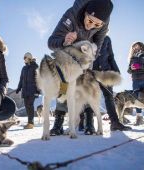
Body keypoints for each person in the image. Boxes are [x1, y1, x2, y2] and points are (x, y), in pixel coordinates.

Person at [48, 0, 130, 136]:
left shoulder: (103, 24)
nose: (91, 26)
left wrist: (90, 55)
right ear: (85, 13)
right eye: (90, 21)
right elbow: (51, 42)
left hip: (85, 58)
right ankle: (58, 121)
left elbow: (98, 46)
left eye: (97, 25)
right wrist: (64, 41)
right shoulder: (71, 16)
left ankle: (89, 122)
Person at [80, 36, 131, 135]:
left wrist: (116, 71)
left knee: (109, 97)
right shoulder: (88, 36)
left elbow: (111, 56)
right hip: (90, 72)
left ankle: (115, 123)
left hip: (105, 72)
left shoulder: (107, 39)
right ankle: (88, 124)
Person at [16, 52, 39, 129]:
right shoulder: (24, 68)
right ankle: (29, 122)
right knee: (27, 106)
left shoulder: (35, 67)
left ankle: (31, 123)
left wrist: (38, 91)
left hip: (32, 90)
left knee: (30, 105)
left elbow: (38, 79)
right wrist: (19, 88)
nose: (23, 59)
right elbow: (21, 79)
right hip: (25, 90)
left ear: (28, 58)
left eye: (24, 58)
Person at [127, 42, 144, 125]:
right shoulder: (132, 57)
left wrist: (139, 66)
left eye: (136, 45)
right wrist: (131, 68)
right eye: (133, 46)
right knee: (137, 99)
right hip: (135, 80)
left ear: (140, 46)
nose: (134, 47)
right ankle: (139, 118)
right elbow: (128, 70)